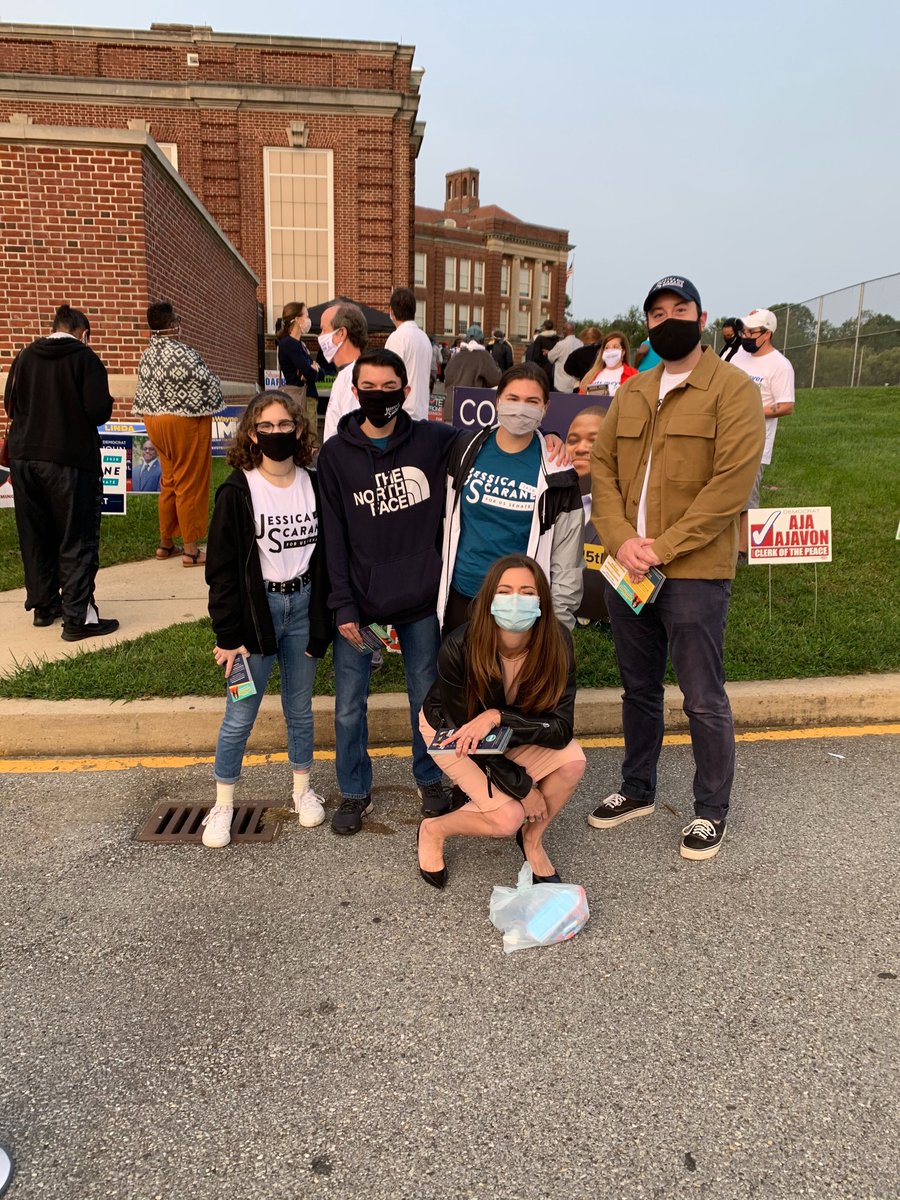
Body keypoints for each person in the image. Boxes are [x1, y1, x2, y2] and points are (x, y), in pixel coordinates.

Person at [589, 274, 765, 861]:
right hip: (629, 567)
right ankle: (637, 788)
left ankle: (711, 810)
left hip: (692, 570)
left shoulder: (732, 390)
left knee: (701, 696)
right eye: (658, 314)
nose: (669, 321)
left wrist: (661, 548)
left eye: (680, 309)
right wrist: (621, 541)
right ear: (648, 325)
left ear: (703, 318)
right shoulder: (633, 391)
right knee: (638, 689)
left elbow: (730, 487)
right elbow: (603, 470)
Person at [316, 348, 463, 834]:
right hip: (360, 604)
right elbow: (333, 536)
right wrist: (342, 604)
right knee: (348, 706)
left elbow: (493, 442)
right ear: (354, 392)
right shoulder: (335, 456)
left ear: (406, 389)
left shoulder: (433, 440)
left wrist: (548, 438)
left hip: (419, 599)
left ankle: (430, 779)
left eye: (389, 388)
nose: (380, 396)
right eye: (370, 388)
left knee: (426, 696)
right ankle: (355, 790)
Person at [202, 389, 332, 848]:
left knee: (300, 708)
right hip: (256, 618)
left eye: (285, 425)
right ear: (252, 435)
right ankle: (222, 804)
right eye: (266, 426)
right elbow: (221, 571)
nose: (277, 433)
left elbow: (326, 559)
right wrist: (228, 634)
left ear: (298, 430)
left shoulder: (314, 484)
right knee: (240, 713)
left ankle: (302, 790)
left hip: (303, 608)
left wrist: (323, 620)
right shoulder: (238, 490)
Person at [417, 555, 586, 889]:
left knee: (573, 762)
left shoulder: (558, 642)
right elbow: (469, 734)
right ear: (490, 599)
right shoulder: (459, 646)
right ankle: (433, 830)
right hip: (453, 731)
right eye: (505, 591)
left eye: (527, 592)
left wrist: (498, 717)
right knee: (508, 818)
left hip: (506, 731)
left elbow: (561, 729)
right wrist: (524, 789)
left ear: (541, 600)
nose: (515, 600)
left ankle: (532, 839)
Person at [437, 363, 583, 635]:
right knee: (459, 663)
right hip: (462, 593)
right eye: (513, 398)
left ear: (545, 408)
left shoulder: (557, 472)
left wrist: (558, 626)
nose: (520, 409)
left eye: (532, 401)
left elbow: (567, 561)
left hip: (518, 606)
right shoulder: (465, 449)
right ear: (498, 401)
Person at [3, 303, 118, 639]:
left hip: (24, 457)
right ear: (84, 334)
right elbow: (98, 411)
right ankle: (78, 618)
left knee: (35, 535)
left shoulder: (24, 357)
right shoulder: (85, 359)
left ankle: (44, 607)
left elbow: (10, 404)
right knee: (76, 536)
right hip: (70, 459)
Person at [133, 301, 223, 567]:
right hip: (182, 422)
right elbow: (209, 383)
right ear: (171, 325)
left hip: (154, 422)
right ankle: (191, 550)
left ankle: (166, 543)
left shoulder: (147, 354)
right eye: (177, 320)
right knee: (189, 482)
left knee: (169, 480)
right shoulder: (183, 353)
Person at [729, 308, 796, 557]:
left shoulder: (780, 365)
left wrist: (751, 411)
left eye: (751, 332)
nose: (745, 336)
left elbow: (786, 405)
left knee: (747, 496)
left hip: (755, 443)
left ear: (766, 334)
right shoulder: (738, 356)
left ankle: (742, 550)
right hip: (726, 436)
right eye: (744, 331)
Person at [565, 406, 610, 626]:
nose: (581, 448)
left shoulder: (631, 511)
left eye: (593, 440)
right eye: (573, 440)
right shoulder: (548, 502)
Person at [319, 303, 368, 441]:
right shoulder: (346, 374)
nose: (320, 336)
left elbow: (354, 434)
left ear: (341, 333)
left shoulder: (356, 377)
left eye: (323, 329)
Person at [385, 286, 433, 422]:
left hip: (402, 415)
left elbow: (388, 378)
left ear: (391, 311)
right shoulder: (424, 338)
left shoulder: (397, 338)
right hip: (422, 413)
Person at [442, 325, 501, 421]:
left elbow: (447, 375)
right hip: (469, 411)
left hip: (451, 409)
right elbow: (496, 380)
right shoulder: (484, 356)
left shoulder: (456, 356)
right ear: (482, 340)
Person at [276, 301, 326, 412]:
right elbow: (310, 374)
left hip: (307, 398)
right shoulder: (289, 344)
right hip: (301, 399)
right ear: (298, 320)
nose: (309, 320)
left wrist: (314, 370)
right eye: (306, 316)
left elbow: (321, 374)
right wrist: (313, 369)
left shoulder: (300, 345)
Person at [578, 330, 638, 398]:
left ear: (623, 352)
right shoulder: (591, 375)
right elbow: (581, 399)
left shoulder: (633, 375)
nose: (610, 350)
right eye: (607, 347)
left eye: (615, 347)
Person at [548, 321, 583, 392]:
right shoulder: (580, 343)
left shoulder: (561, 344)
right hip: (575, 383)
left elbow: (550, 358)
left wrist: (549, 352)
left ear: (565, 330)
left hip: (561, 384)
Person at [528, 318, 559, 391]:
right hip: (554, 369)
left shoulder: (540, 338)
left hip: (542, 368)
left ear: (544, 327)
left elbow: (536, 356)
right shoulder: (557, 338)